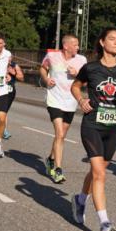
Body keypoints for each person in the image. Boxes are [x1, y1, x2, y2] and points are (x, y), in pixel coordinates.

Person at [70, 28, 116, 231]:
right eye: (112, 39)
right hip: (92, 125)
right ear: (102, 42)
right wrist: (81, 100)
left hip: (113, 129)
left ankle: (80, 199)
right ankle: (104, 222)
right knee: (99, 174)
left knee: (97, 171)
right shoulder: (90, 68)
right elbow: (75, 86)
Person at [39, 34, 86, 183]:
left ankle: (51, 159)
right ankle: (58, 170)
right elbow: (43, 68)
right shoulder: (52, 56)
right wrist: (46, 79)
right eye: (75, 44)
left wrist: (77, 74)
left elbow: (85, 82)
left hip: (71, 101)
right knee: (59, 133)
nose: (78, 47)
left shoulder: (81, 60)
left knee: (62, 135)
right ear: (66, 46)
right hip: (54, 99)